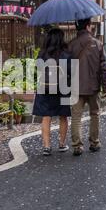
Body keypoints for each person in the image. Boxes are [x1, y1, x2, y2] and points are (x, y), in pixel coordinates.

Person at [68, 18, 106, 156]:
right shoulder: (97, 44)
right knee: (95, 114)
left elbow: (66, 68)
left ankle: (77, 146)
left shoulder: (71, 45)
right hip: (93, 87)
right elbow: (104, 68)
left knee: (76, 116)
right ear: (88, 26)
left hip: (75, 87)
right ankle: (94, 142)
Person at [32, 28, 72, 156]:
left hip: (45, 87)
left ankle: (47, 146)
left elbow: (37, 69)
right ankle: (61, 144)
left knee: (46, 116)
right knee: (63, 116)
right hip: (62, 88)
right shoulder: (66, 54)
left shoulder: (42, 54)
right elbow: (71, 72)